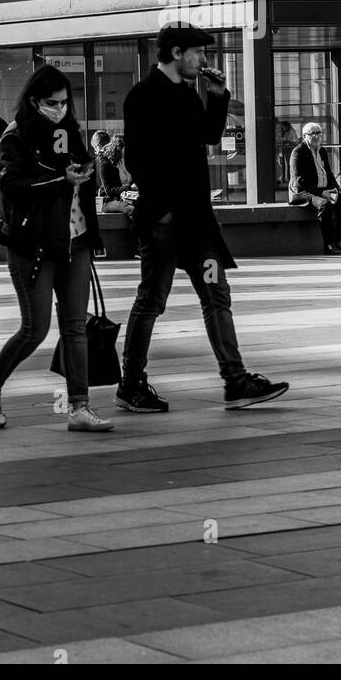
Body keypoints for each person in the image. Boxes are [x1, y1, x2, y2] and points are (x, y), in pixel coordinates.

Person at [117, 24, 289, 414]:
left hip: (197, 225)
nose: (204, 60)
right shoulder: (143, 96)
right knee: (152, 301)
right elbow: (137, 160)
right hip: (164, 223)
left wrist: (219, 96)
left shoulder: (187, 93)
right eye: (198, 53)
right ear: (176, 52)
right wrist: (163, 210)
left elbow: (210, 135)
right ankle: (130, 384)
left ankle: (236, 380)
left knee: (215, 295)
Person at [0, 64, 112, 434]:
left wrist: (85, 172)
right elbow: (14, 188)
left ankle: (79, 408)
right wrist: (58, 179)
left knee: (75, 326)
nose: (61, 109)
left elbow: (80, 170)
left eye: (65, 102)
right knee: (35, 328)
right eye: (53, 103)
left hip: (74, 237)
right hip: (32, 245)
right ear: (35, 101)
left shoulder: (68, 130)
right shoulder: (14, 137)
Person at [288, 122, 341, 255]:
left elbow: (329, 174)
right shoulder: (298, 152)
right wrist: (321, 193)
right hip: (303, 193)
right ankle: (329, 244)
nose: (316, 136)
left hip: (323, 191)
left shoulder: (322, 151)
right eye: (312, 134)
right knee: (325, 205)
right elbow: (299, 180)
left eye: (318, 133)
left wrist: (336, 189)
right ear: (304, 136)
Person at [97, 134, 136, 213]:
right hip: (109, 201)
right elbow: (109, 190)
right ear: (117, 149)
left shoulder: (125, 163)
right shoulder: (105, 164)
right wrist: (128, 188)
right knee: (131, 209)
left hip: (125, 197)